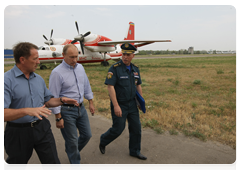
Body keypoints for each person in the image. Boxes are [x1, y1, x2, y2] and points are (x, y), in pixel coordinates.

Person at [4, 42, 80, 170]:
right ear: (22, 59)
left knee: (53, 165)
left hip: (41, 128)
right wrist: (27, 111)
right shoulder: (6, 81)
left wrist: (62, 100)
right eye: (35, 59)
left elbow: (48, 101)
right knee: (15, 166)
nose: (38, 62)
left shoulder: (38, 79)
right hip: (18, 133)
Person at [49, 44, 95, 170]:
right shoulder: (57, 73)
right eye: (71, 57)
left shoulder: (80, 68)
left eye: (76, 56)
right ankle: (75, 166)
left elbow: (86, 85)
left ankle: (71, 150)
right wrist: (58, 117)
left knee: (87, 135)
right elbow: (53, 97)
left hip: (81, 108)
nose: (74, 60)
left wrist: (90, 101)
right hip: (66, 111)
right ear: (63, 55)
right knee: (72, 141)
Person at [99, 43, 147, 160]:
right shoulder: (115, 68)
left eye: (128, 54)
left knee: (136, 128)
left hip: (132, 104)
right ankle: (103, 140)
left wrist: (140, 102)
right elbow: (110, 87)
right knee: (118, 129)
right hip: (120, 104)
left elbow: (138, 86)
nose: (125, 57)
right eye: (123, 54)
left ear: (133, 56)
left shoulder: (135, 69)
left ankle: (135, 151)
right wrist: (116, 106)